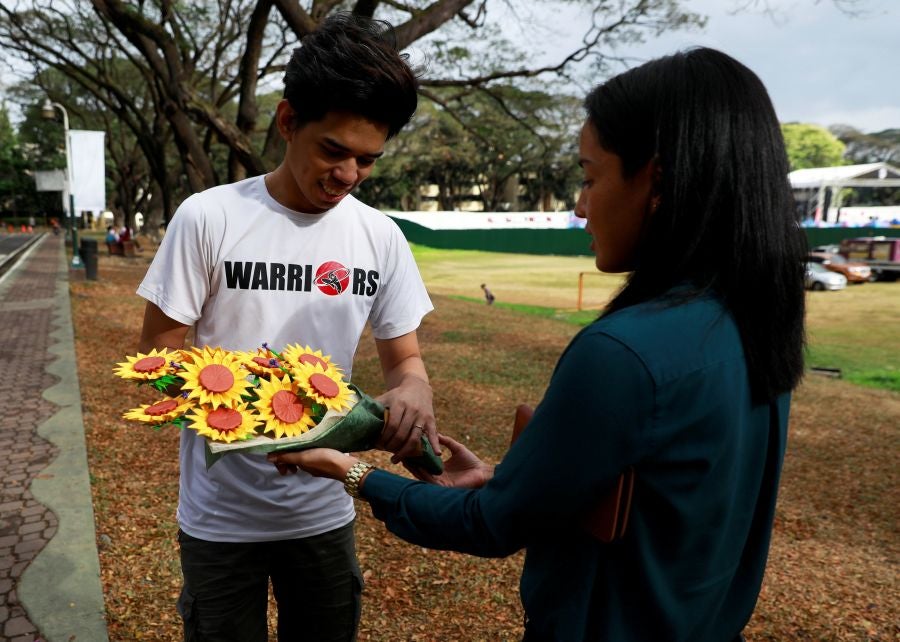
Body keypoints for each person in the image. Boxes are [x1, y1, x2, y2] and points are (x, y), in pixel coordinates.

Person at [269, 47, 807, 641]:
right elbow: (666, 485)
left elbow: (490, 526)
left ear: (655, 180)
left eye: (589, 176)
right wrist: (513, 476)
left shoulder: (623, 353)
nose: (580, 205)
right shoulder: (751, 323)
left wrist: (353, 475)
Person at [136, 13, 436, 641]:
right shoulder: (209, 218)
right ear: (288, 120)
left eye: (367, 160)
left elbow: (404, 363)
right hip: (221, 520)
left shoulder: (378, 236)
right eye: (333, 150)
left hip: (325, 513)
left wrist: (413, 390)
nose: (348, 176)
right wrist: (251, 412)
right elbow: (158, 357)